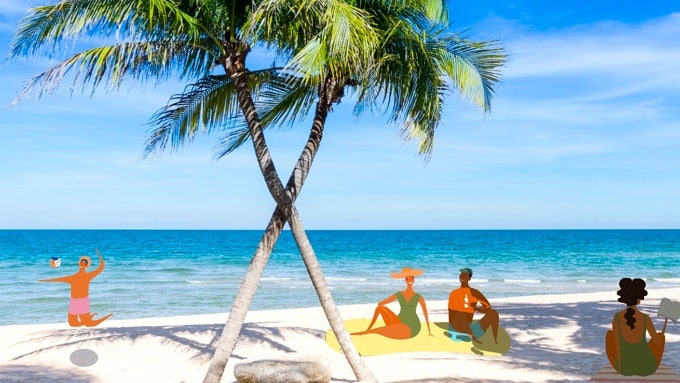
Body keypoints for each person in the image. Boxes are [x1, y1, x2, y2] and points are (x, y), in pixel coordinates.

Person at [605, 277, 666, 376]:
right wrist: (663, 329)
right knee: (660, 336)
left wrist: (620, 367)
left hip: (625, 369)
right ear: (638, 300)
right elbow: (657, 341)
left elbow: (617, 344)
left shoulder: (617, 317)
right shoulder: (645, 318)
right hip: (647, 368)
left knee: (609, 335)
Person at [352, 267, 433, 339]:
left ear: (414, 279)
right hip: (398, 321)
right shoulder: (399, 294)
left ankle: (367, 332)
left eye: (412, 277)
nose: (410, 279)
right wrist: (382, 305)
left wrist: (429, 331)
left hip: (411, 327)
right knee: (379, 308)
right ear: (405, 280)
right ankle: (369, 329)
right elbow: (381, 303)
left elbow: (425, 313)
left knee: (386, 329)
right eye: (408, 278)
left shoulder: (418, 297)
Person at [39, 249, 113, 327]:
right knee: (73, 324)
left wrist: (99, 256)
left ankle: (107, 317)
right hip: (74, 301)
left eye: (84, 263)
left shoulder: (88, 276)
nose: (82, 264)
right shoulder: (73, 277)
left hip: (83, 301)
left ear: (86, 266)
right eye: (81, 262)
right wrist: (45, 280)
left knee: (89, 324)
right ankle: (88, 318)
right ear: (79, 264)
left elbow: (100, 268)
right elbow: (59, 279)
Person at [448, 267, 499, 343]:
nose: (462, 276)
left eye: (465, 275)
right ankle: (470, 336)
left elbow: (488, 308)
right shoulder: (454, 293)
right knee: (460, 314)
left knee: (494, 313)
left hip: (471, 329)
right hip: (456, 329)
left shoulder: (474, 293)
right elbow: (451, 315)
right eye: (461, 274)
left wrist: (476, 308)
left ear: (469, 278)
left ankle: (495, 340)